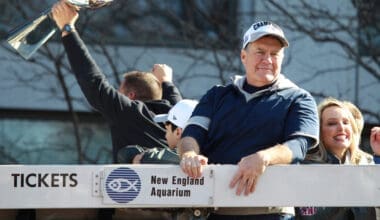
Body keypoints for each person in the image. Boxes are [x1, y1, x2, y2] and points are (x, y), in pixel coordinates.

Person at [177, 20, 319, 220]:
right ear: (244, 56)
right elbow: (191, 134)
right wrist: (189, 154)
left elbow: (298, 146)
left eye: (275, 54)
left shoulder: (299, 98)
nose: (267, 59)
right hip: (214, 211)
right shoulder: (216, 95)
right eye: (260, 52)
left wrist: (264, 158)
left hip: (272, 213)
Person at [51, 1, 182, 163]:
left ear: (131, 95)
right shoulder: (175, 122)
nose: (118, 97)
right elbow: (177, 106)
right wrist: (167, 83)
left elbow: (94, 83)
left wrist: (68, 29)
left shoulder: (129, 112)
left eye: (120, 93)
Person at [296, 98, 378, 219]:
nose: (341, 128)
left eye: (346, 122)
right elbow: (309, 216)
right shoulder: (304, 168)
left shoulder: (368, 163)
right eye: (332, 123)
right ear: (320, 132)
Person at [117, 99, 198, 164]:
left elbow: (126, 154)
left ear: (178, 132)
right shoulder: (207, 151)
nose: (165, 135)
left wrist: (141, 157)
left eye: (167, 129)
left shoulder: (191, 157)